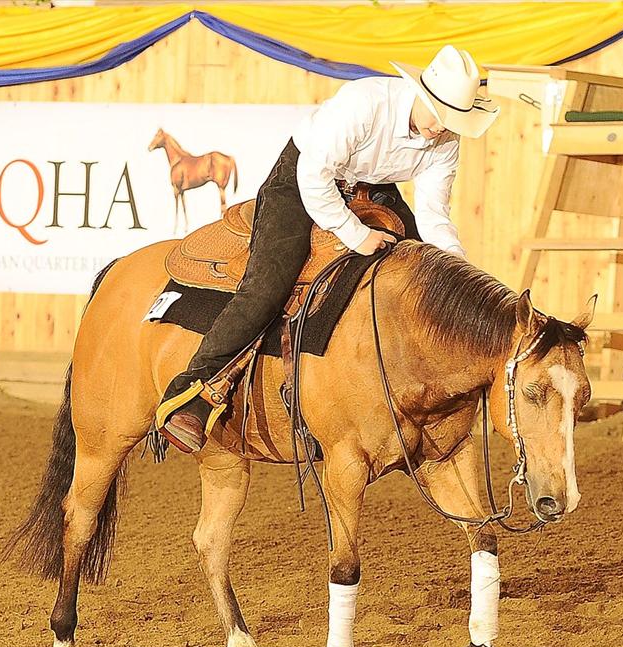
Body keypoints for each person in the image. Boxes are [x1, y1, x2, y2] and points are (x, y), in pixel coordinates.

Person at [156, 44, 499, 453]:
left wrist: (454, 271)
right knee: (268, 287)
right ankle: (192, 390)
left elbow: (433, 211)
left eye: (454, 121)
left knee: (419, 275)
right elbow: (314, 177)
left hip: (371, 188)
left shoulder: (445, 140)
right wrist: (356, 234)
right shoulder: (364, 104)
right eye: (441, 116)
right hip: (302, 180)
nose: (443, 128)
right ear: (421, 96)